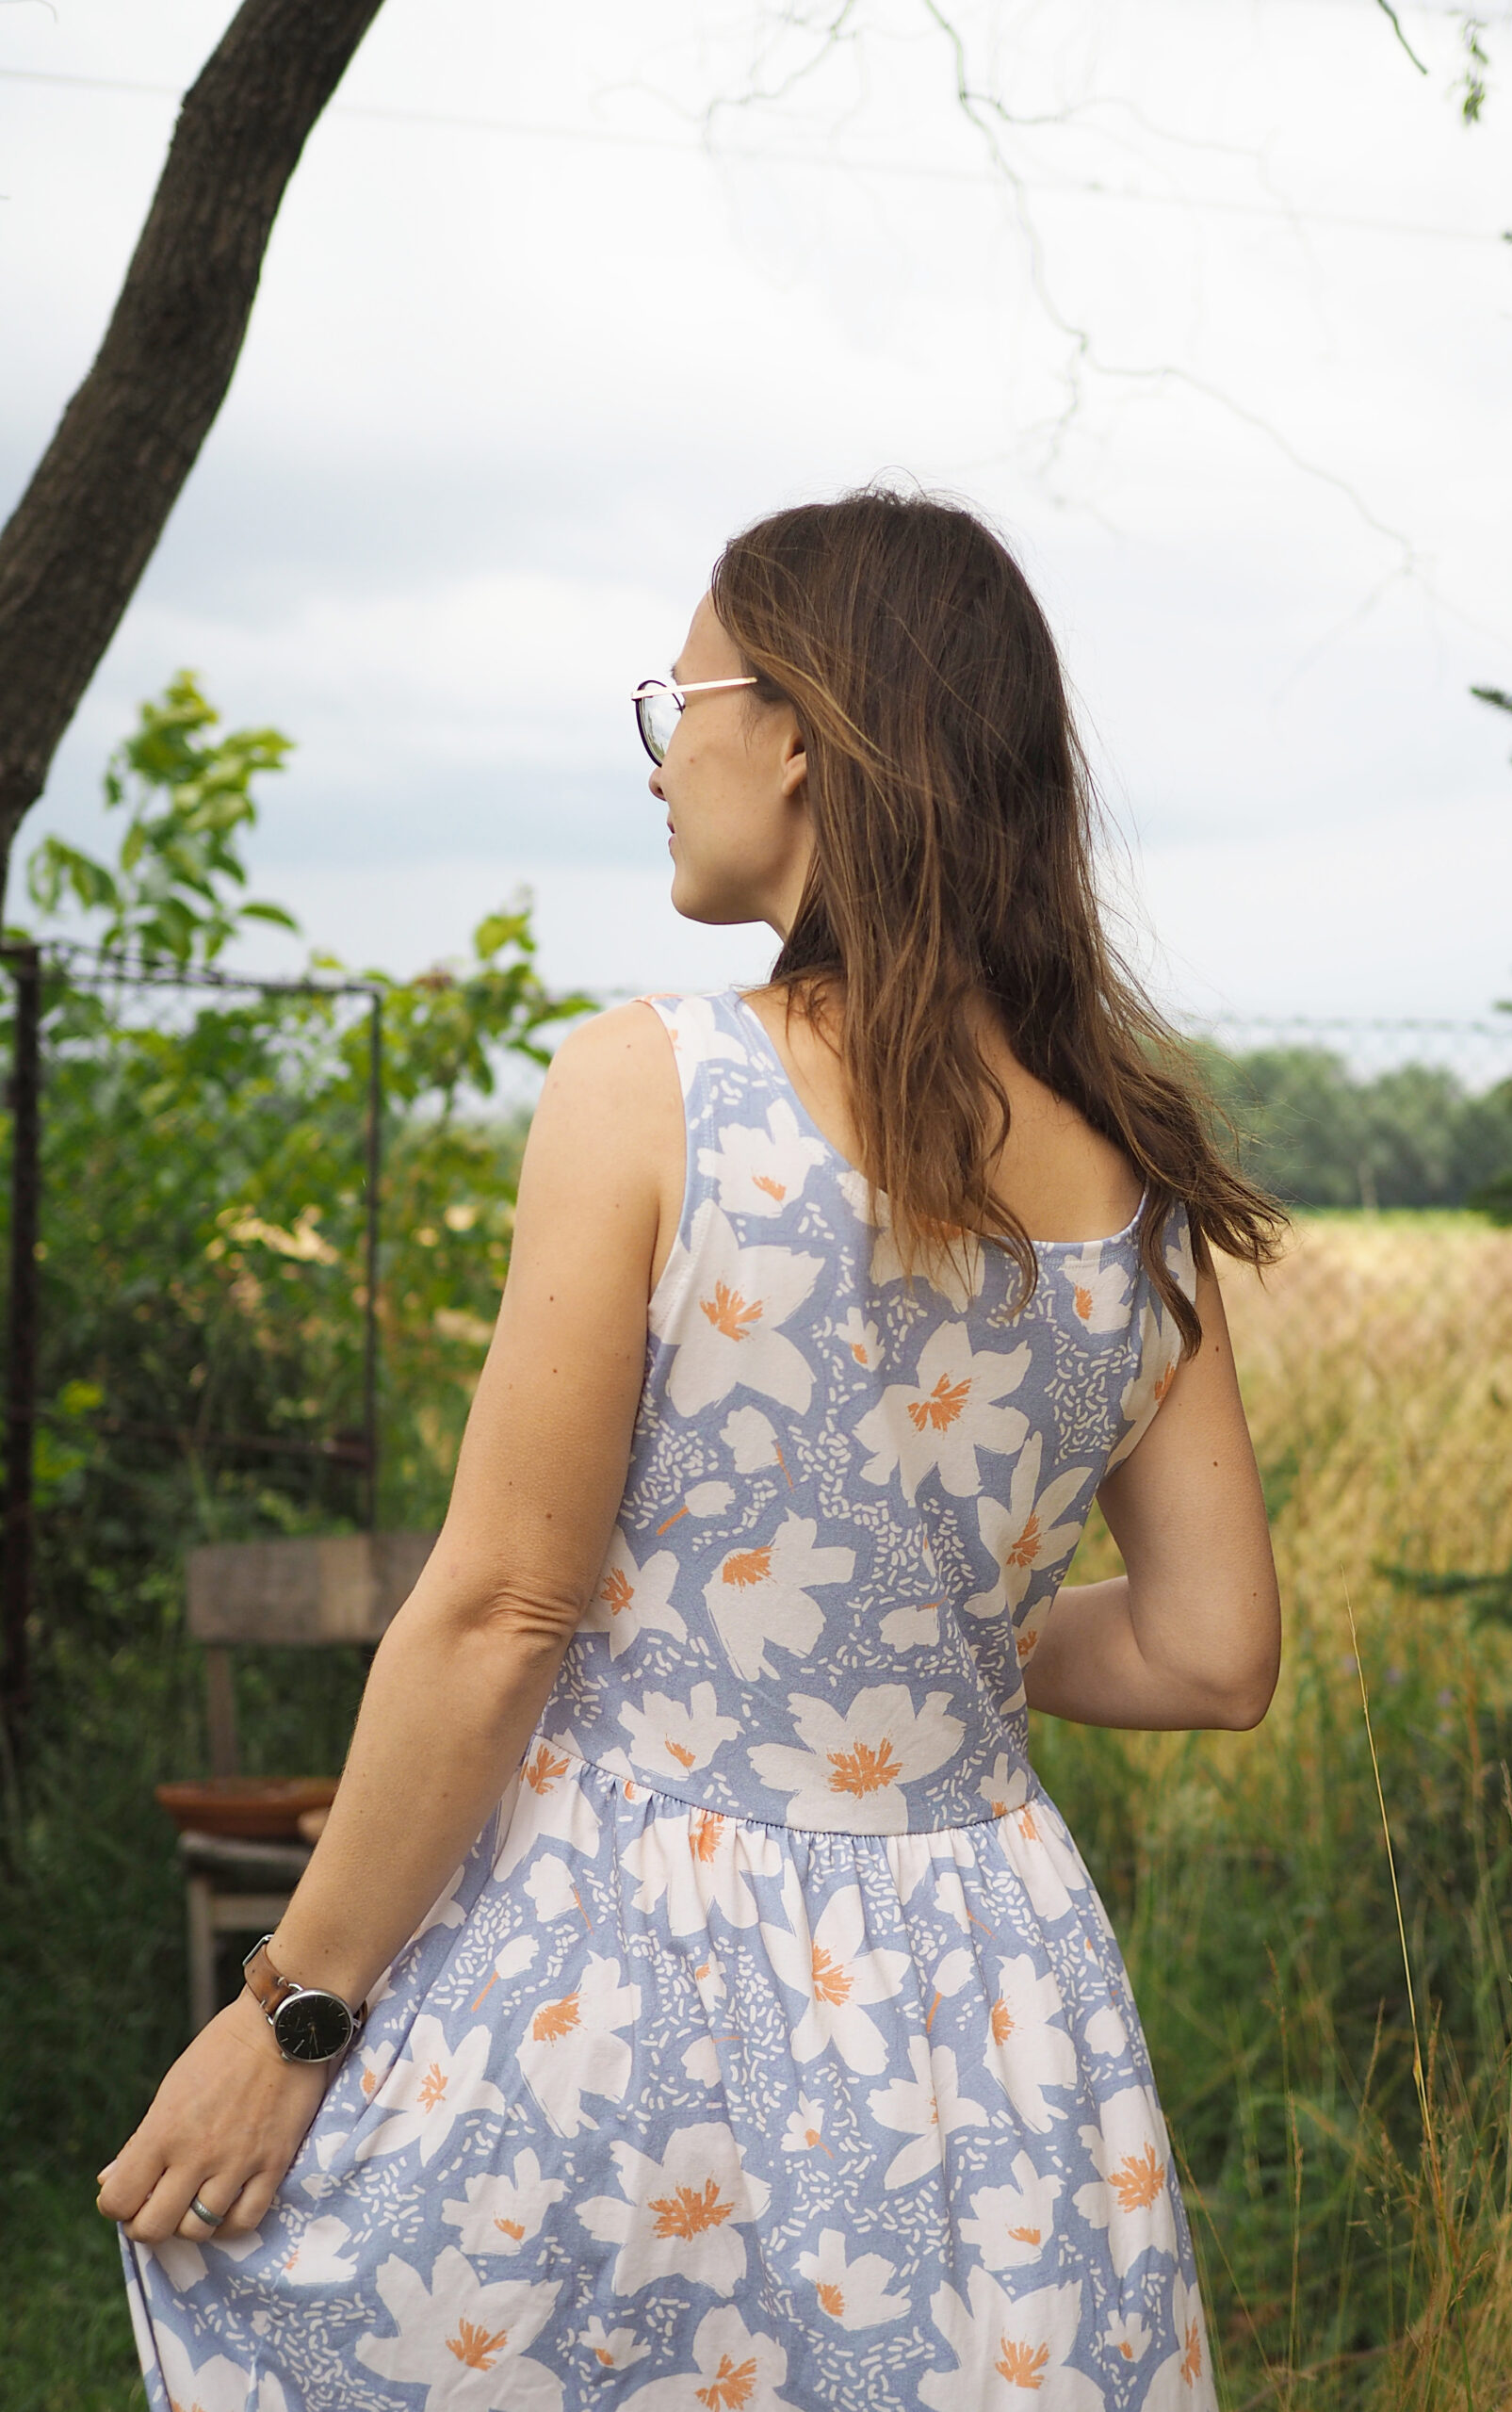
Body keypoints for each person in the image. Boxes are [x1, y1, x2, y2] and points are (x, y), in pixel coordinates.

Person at [102, 487, 1283, 2410]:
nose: (663, 760)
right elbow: (1212, 1652)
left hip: (635, 1973)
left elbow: (503, 1608)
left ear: (800, 734)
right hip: (989, 2012)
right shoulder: (1138, 1186)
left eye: (684, 702)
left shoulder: (654, 1086)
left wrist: (289, 2013)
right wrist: (915, 1653)